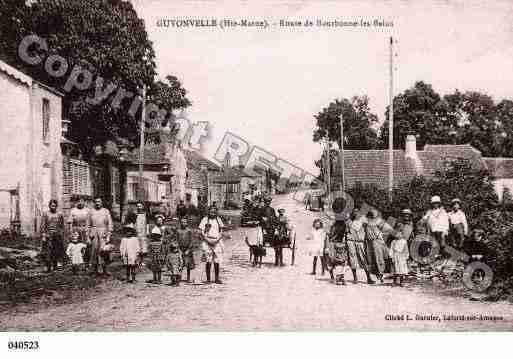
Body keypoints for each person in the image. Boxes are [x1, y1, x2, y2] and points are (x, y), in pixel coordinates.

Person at [346, 210, 375, 284]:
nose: (356, 214)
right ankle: (355, 278)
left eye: (358, 212)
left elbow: (370, 228)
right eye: (354, 212)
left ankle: (368, 278)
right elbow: (346, 233)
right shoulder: (349, 223)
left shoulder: (363, 222)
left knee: (363, 259)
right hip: (351, 242)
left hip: (360, 242)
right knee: (353, 259)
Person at [199, 206, 225, 284]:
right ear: (208, 212)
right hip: (207, 241)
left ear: (216, 212)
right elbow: (201, 232)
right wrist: (207, 240)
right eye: (211, 211)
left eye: (214, 212)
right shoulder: (205, 219)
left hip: (217, 241)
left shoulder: (218, 220)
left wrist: (217, 240)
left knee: (217, 260)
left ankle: (216, 278)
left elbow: (221, 231)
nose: (212, 213)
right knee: (208, 259)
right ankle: (208, 279)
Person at [365, 209, 393, 284]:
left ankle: (381, 274)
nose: (372, 215)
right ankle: (377, 274)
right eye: (371, 214)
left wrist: (381, 234)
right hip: (370, 242)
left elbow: (389, 229)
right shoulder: (367, 221)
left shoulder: (378, 221)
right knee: (372, 259)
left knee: (379, 258)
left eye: (373, 214)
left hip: (377, 241)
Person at [89, 198, 113, 276]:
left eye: (99, 201)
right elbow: (88, 224)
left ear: (102, 202)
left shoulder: (106, 211)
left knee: (104, 251)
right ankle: (95, 270)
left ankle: (105, 269)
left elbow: (110, 224)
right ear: (94, 203)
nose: (97, 203)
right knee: (94, 251)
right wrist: (88, 236)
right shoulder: (91, 211)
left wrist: (109, 235)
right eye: (96, 202)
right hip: (94, 232)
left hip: (103, 232)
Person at [40, 199, 66, 272]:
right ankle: (48, 266)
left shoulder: (59, 214)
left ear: (56, 206)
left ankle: (55, 265)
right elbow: (43, 225)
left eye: (54, 206)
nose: (53, 207)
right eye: (52, 206)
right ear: (49, 206)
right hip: (48, 235)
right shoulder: (46, 214)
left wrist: (61, 233)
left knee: (56, 250)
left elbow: (62, 225)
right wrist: (44, 235)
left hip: (57, 235)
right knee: (48, 251)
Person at [67, 196, 90, 265]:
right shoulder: (73, 210)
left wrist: (88, 231)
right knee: (75, 246)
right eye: (78, 201)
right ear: (76, 202)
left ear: (84, 202)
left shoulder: (87, 210)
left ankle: (86, 262)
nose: (80, 203)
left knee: (85, 246)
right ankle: (75, 262)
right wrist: (71, 232)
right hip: (76, 230)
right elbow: (70, 222)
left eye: (82, 201)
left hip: (85, 230)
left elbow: (90, 222)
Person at [325, 216, 348, 285]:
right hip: (332, 244)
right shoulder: (333, 226)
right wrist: (327, 246)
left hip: (339, 244)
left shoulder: (343, 225)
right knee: (332, 260)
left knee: (340, 261)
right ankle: (333, 277)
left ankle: (340, 277)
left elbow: (344, 236)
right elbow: (328, 236)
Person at [146, 215, 167, 284]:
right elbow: (152, 237)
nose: (159, 222)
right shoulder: (154, 229)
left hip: (162, 247)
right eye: (158, 221)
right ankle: (154, 278)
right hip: (155, 247)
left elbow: (167, 237)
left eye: (160, 221)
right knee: (154, 266)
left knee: (159, 265)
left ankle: (159, 279)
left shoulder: (164, 228)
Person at [176, 217, 195, 282]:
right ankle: (179, 277)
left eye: (185, 222)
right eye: (182, 222)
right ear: (180, 223)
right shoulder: (178, 231)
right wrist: (178, 249)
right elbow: (176, 241)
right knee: (179, 264)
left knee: (188, 264)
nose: (183, 223)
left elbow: (191, 241)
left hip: (187, 249)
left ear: (187, 223)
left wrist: (188, 250)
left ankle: (188, 277)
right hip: (180, 249)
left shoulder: (189, 231)